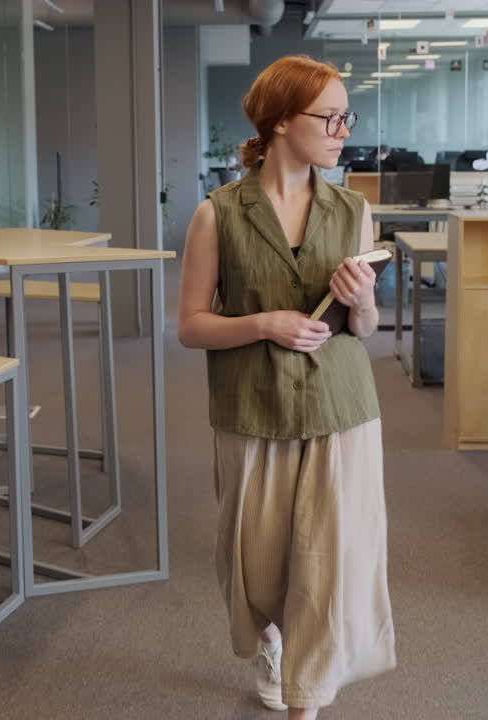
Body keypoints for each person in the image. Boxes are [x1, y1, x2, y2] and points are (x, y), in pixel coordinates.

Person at [177, 55, 396, 719]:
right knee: (259, 566)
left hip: (342, 406)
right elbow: (190, 327)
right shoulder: (217, 215)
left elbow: (366, 327)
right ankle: (273, 644)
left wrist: (361, 304)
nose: (341, 129)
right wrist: (263, 323)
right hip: (253, 406)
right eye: (328, 117)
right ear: (279, 122)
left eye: (345, 117)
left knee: (328, 569)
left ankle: (308, 697)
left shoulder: (354, 209)